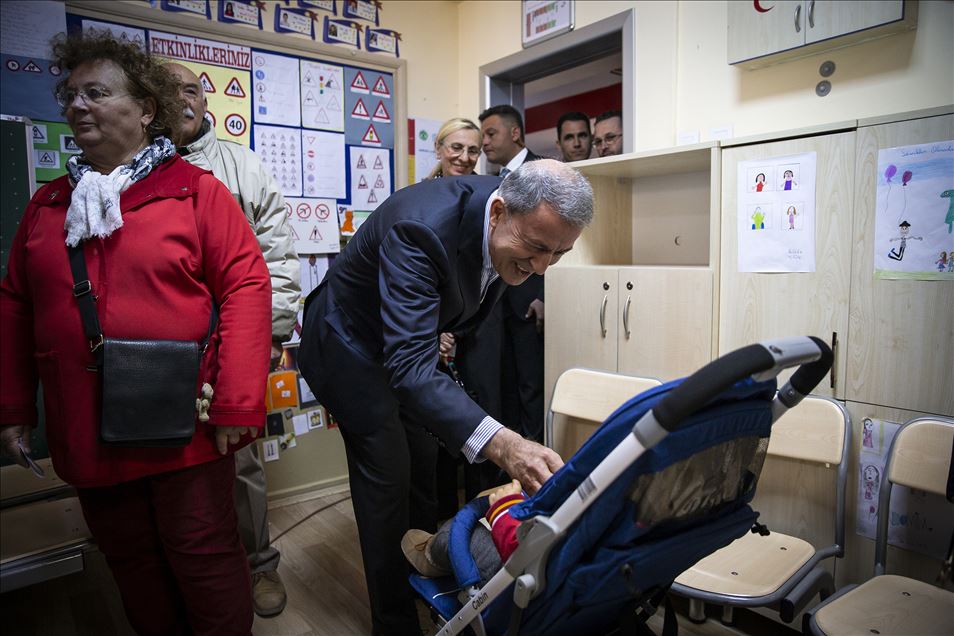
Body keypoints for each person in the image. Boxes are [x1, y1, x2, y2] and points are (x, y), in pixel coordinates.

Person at [0, 32, 271, 635]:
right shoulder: (48, 205)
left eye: (96, 92)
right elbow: (15, 306)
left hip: (183, 428)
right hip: (84, 425)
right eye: (71, 94)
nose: (78, 105)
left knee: (203, 556)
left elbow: (248, 287)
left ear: (146, 109)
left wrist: (235, 402)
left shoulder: (196, 192)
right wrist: (14, 408)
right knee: (130, 561)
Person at [298, 159, 593, 634]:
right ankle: (394, 623)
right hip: (347, 345)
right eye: (537, 248)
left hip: (403, 346)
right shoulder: (421, 229)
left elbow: (427, 342)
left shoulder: (512, 222)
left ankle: (423, 577)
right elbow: (409, 369)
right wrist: (505, 444)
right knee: (387, 476)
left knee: (422, 459)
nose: (542, 267)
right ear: (497, 213)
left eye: (558, 254)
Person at [166, 61, 300, 618]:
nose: (182, 100)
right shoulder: (129, 168)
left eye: (191, 90)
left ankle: (259, 563)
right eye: (168, 90)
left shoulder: (241, 166)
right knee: (163, 457)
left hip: (230, 340)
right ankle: (181, 572)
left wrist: (269, 335)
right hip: (160, 347)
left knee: (239, 459)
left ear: (206, 102)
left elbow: (279, 257)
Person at [402, 479, 526, 585]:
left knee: (451, 532)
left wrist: (502, 510)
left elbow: (515, 547)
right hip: (533, 559)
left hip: (518, 569)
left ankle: (431, 555)